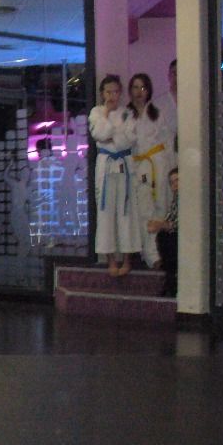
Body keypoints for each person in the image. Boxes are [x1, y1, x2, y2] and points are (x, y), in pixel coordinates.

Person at [89, 74, 141, 276]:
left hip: (124, 164)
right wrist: (107, 118)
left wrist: (112, 136)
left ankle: (127, 259)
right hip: (105, 165)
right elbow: (99, 135)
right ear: (102, 93)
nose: (112, 95)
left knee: (127, 211)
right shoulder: (96, 112)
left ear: (120, 93)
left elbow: (129, 141)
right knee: (105, 213)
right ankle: (110, 260)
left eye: (116, 91)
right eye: (108, 91)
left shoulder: (127, 113)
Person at [127, 72, 172, 270]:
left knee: (161, 206)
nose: (139, 92)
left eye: (143, 88)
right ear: (130, 91)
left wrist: (170, 167)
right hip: (139, 166)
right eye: (136, 87)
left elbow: (167, 141)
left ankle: (161, 252)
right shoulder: (125, 116)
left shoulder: (157, 113)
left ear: (149, 91)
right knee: (144, 209)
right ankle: (150, 255)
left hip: (159, 163)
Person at [149, 167, 179, 297]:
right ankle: (169, 278)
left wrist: (161, 225)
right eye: (172, 182)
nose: (175, 185)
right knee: (162, 236)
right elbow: (169, 219)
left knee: (166, 237)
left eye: (177, 180)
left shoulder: (187, 200)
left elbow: (178, 224)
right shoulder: (175, 200)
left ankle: (171, 280)